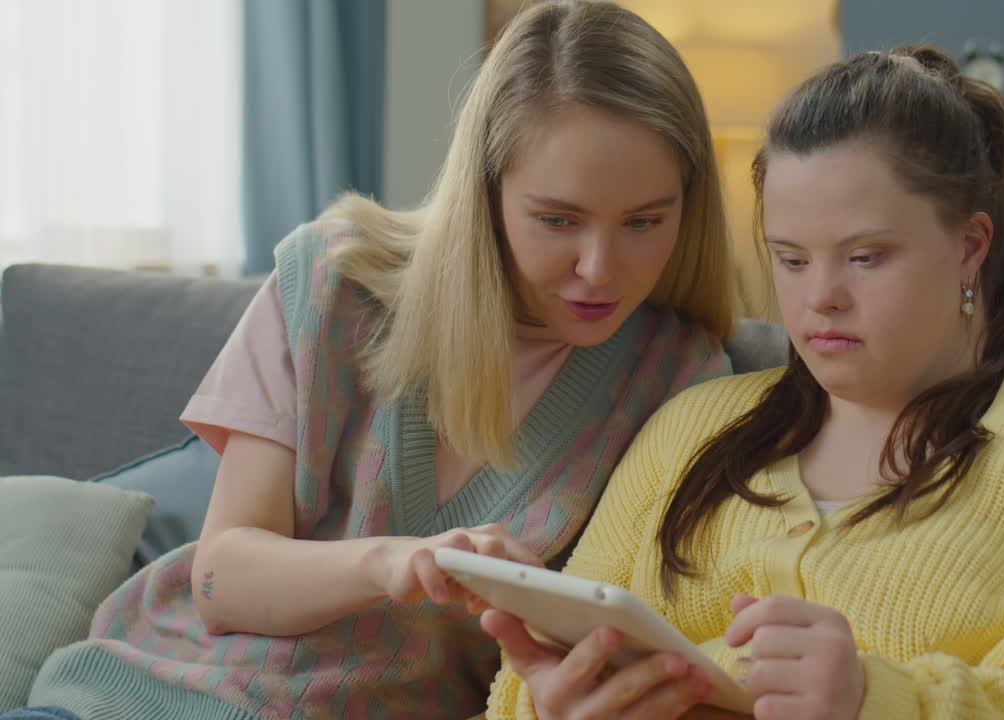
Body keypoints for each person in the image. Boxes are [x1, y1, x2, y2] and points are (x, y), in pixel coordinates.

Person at [12, 2, 736, 719]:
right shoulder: (331, 281)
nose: (600, 269)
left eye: (644, 221)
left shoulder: (683, 383)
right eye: (557, 220)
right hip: (140, 693)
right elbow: (219, 580)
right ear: (485, 195)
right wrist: (390, 561)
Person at [483, 47, 1004, 719]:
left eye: (865, 258)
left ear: (969, 246)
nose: (821, 298)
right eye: (791, 259)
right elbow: (530, 680)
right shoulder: (690, 428)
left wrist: (880, 698)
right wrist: (549, 702)